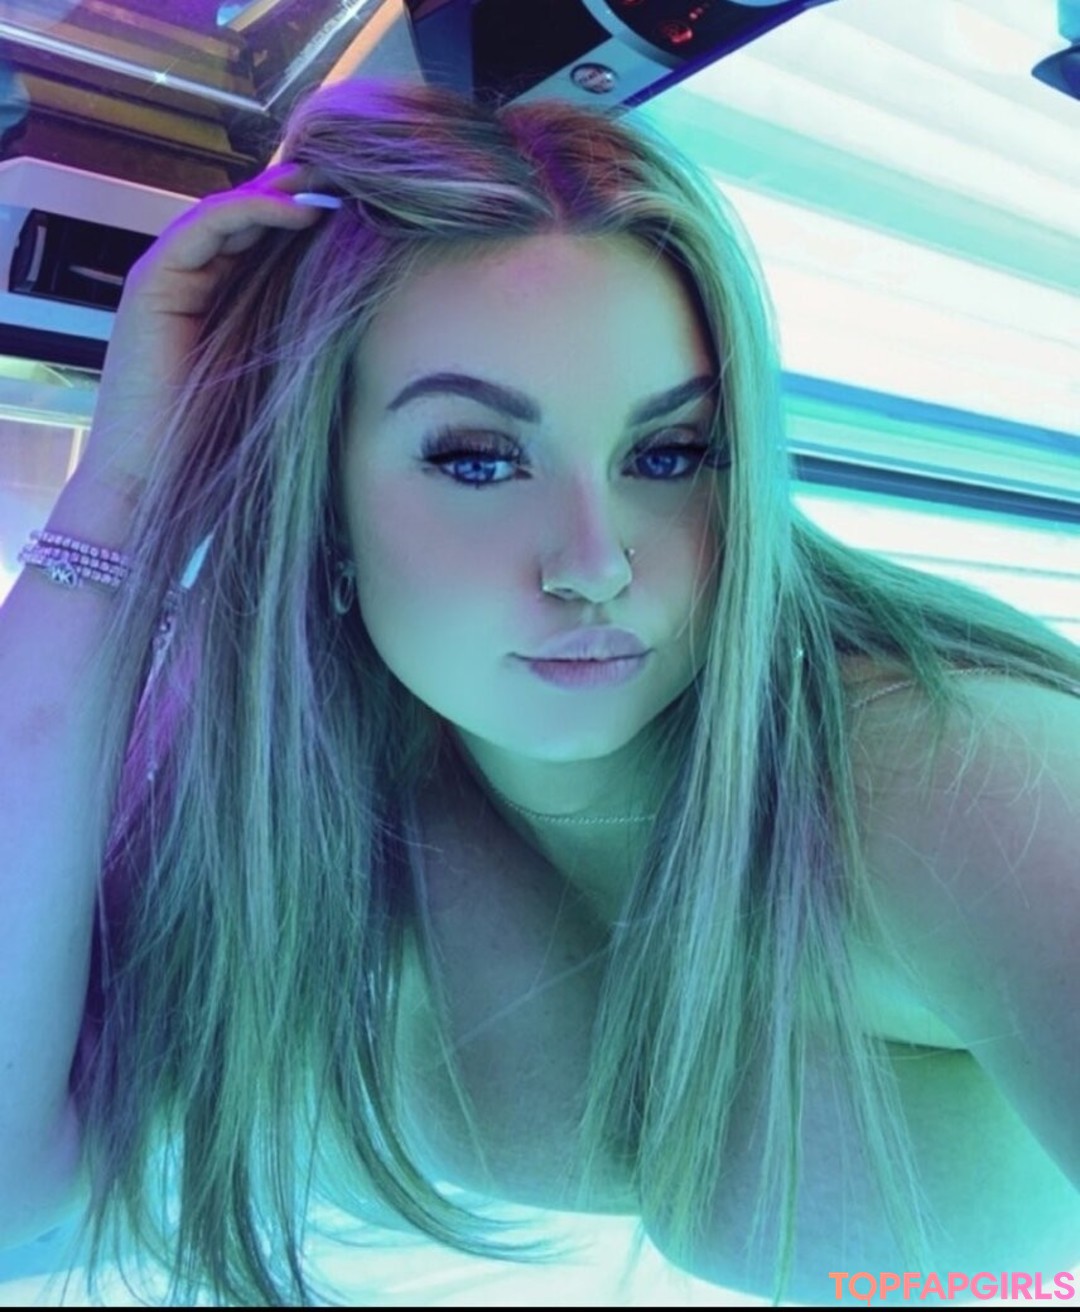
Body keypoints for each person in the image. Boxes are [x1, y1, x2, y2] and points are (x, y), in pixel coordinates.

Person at [1, 78, 1078, 1308]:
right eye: (478, 458)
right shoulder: (305, 816)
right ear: (322, 501)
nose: (593, 561)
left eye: (667, 452)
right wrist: (120, 492)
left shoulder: (956, 783)